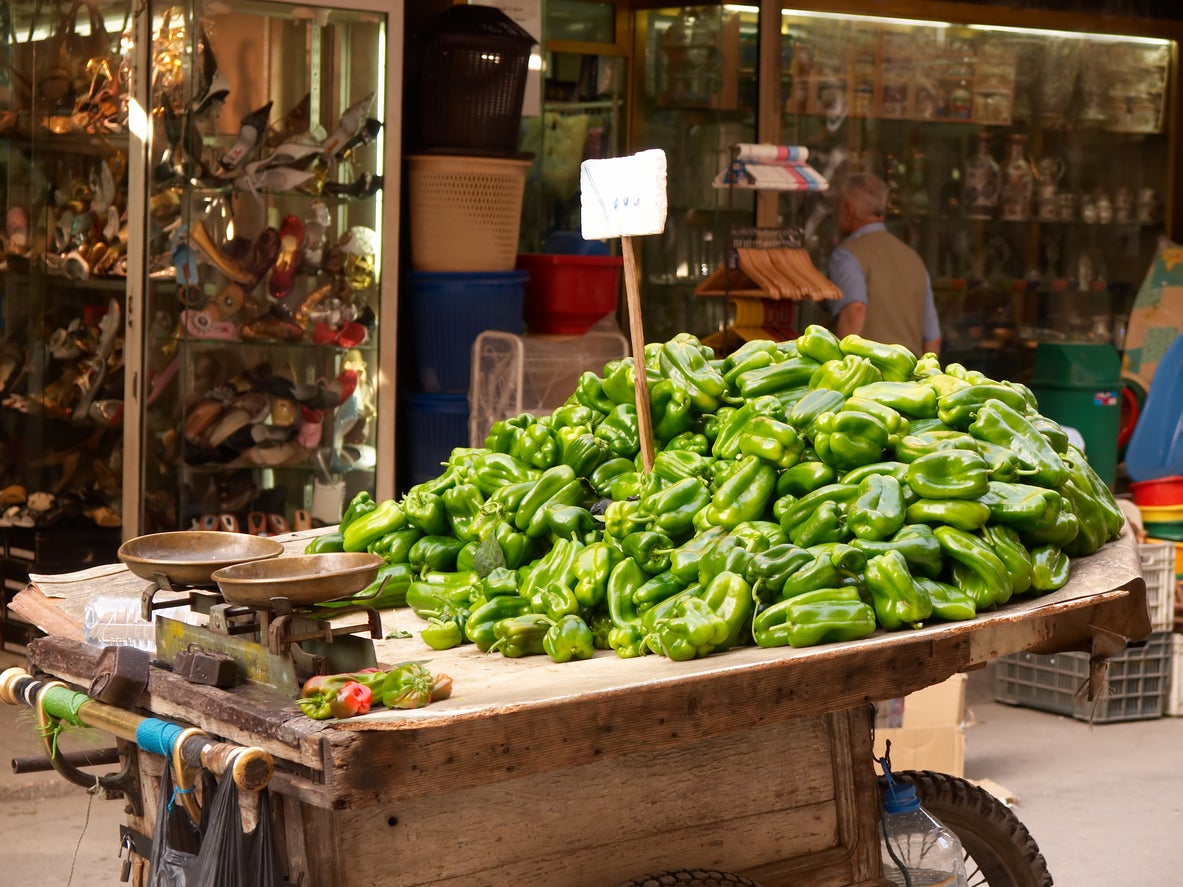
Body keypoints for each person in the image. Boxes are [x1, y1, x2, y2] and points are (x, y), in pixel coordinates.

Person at [827, 173, 941, 357]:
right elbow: (933, 340)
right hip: (910, 380)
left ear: (849, 209)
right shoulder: (913, 258)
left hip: (867, 379)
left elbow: (854, 310)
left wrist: (840, 367)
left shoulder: (847, 255)